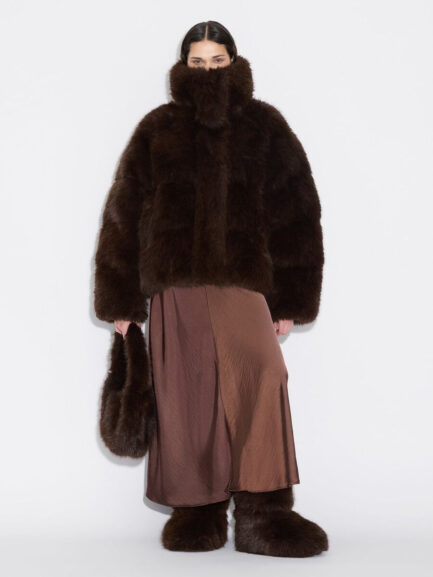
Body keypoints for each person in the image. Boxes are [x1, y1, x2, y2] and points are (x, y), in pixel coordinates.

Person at [94, 20, 327, 557]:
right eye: (196, 62)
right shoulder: (157, 129)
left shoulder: (265, 127)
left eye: (216, 61)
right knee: (187, 395)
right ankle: (196, 513)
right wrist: (122, 301)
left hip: (242, 284)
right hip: (174, 287)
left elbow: (297, 213)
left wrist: (291, 299)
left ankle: (263, 515)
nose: (207, 71)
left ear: (234, 63)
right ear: (183, 67)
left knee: (263, 377)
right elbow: (123, 214)